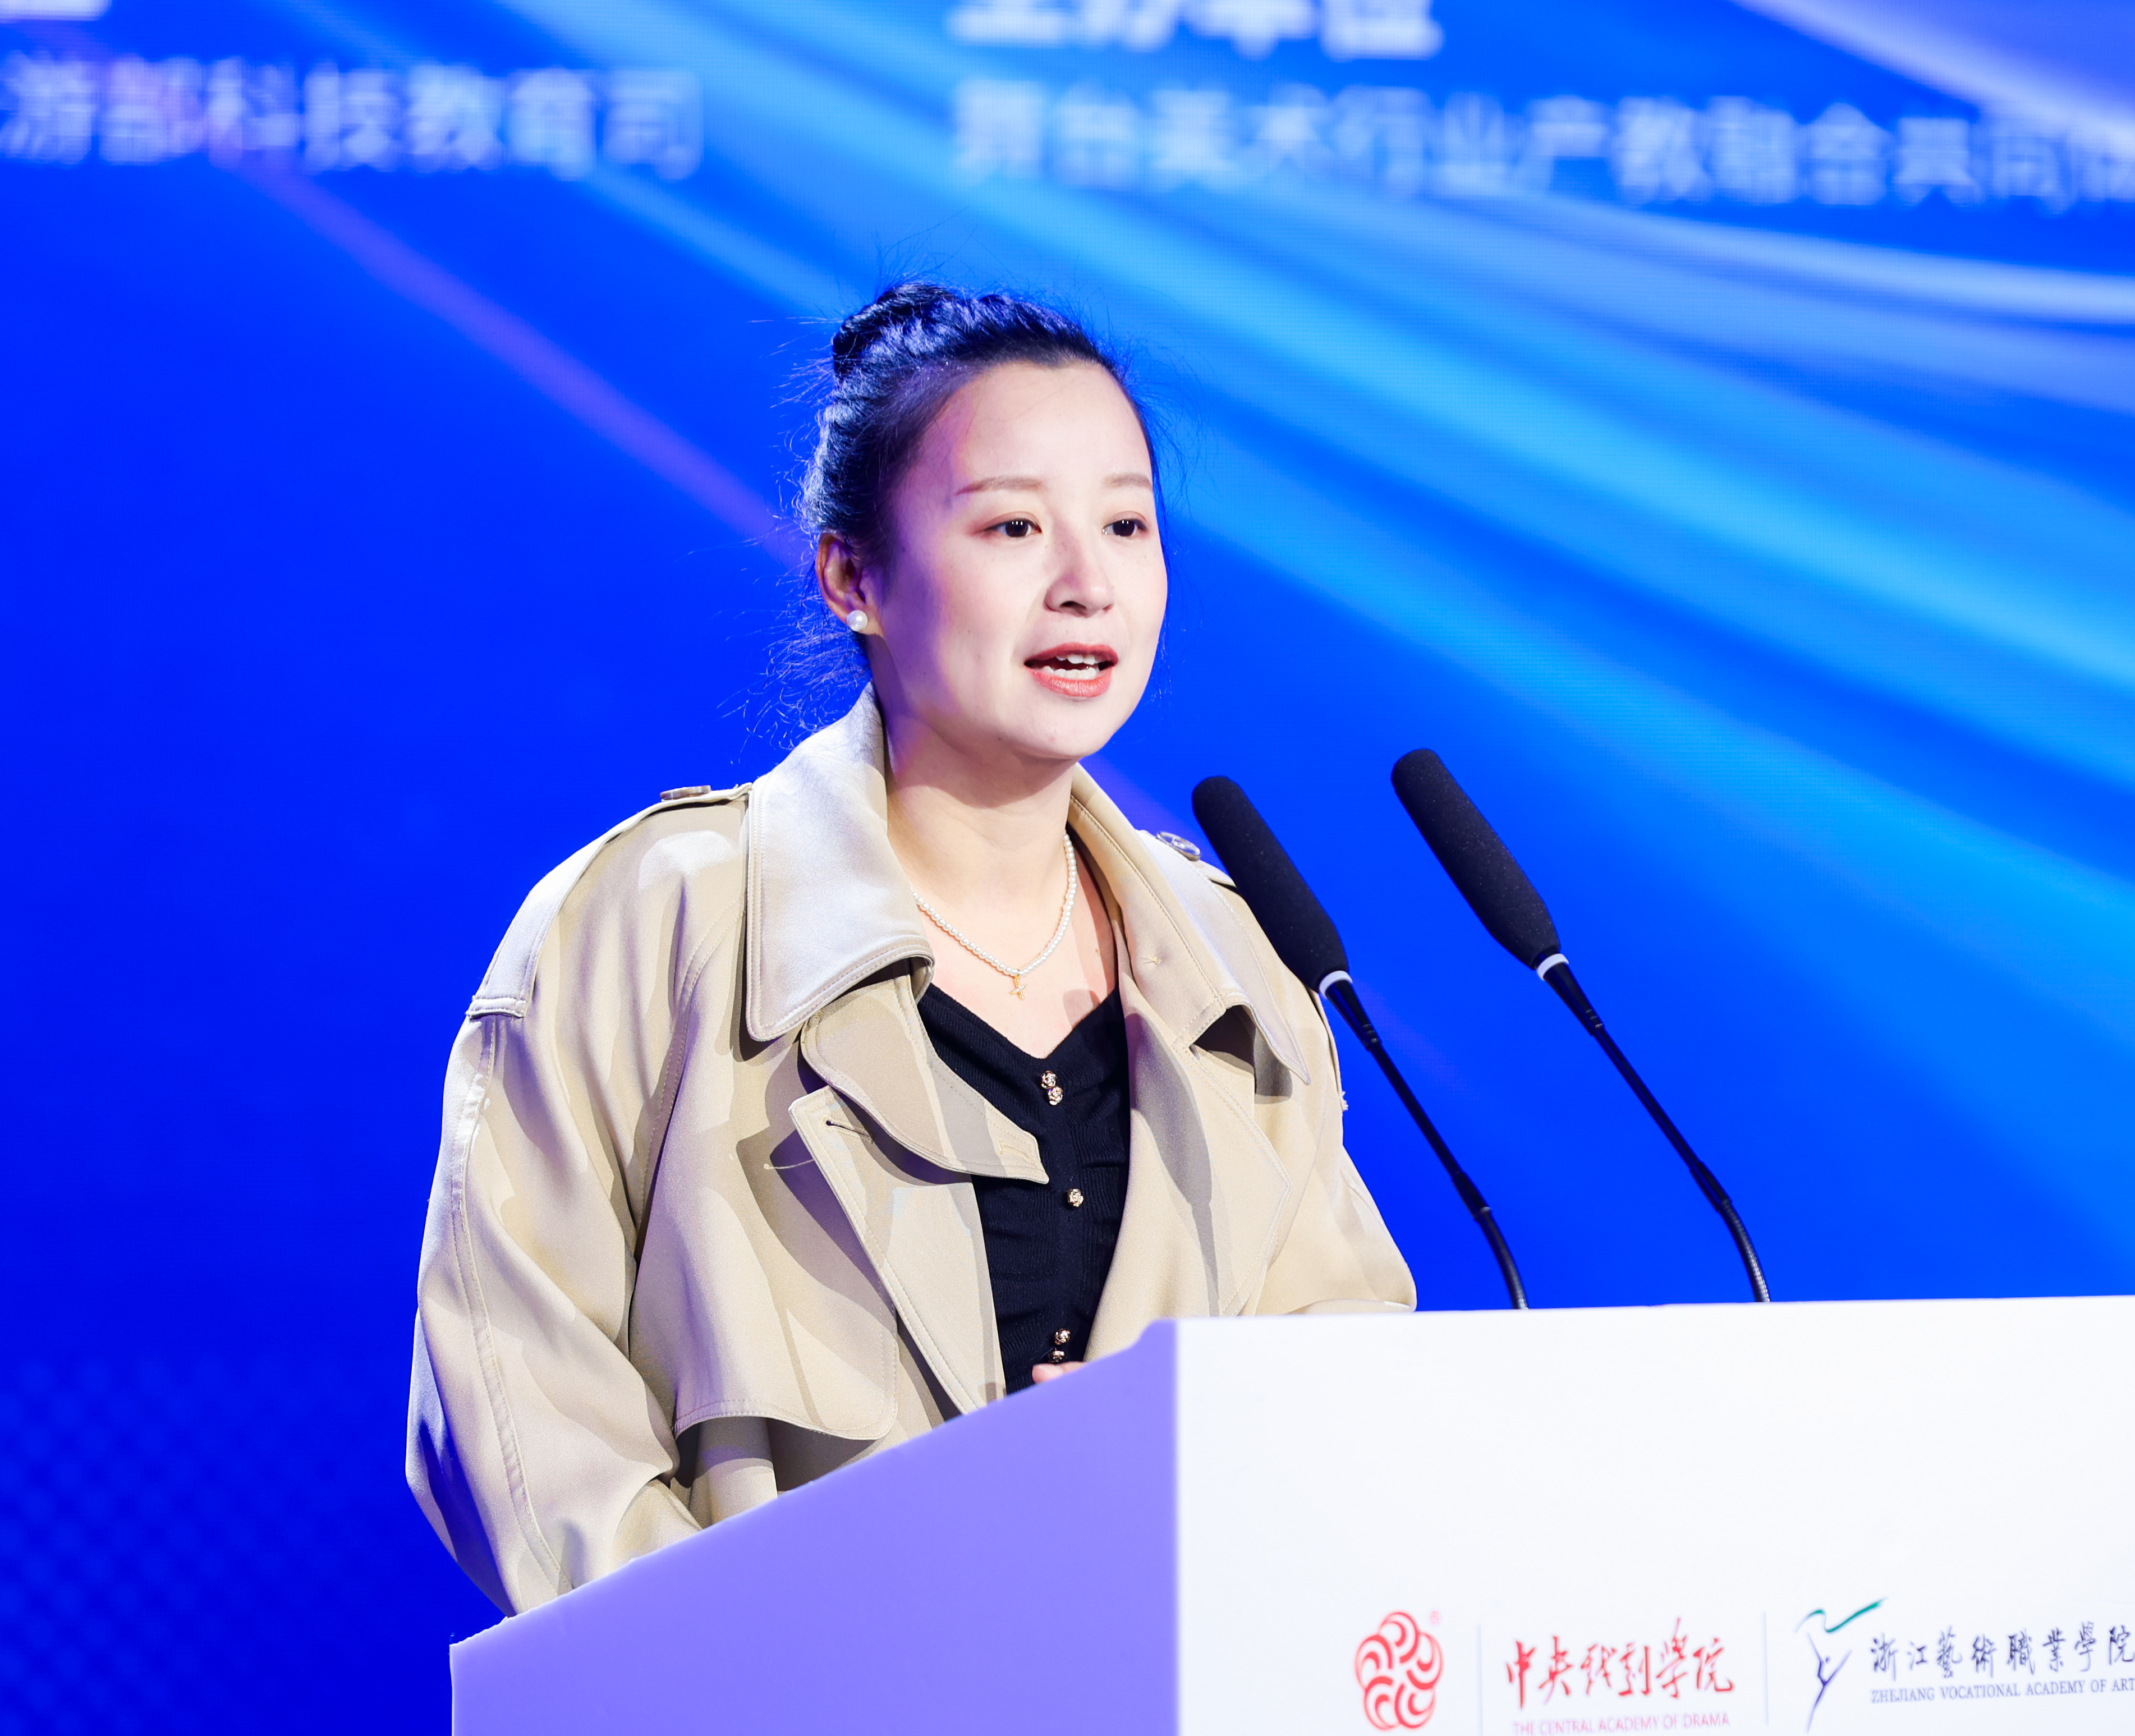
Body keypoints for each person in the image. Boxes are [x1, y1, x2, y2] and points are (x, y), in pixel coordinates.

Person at [406, 282, 1415, 1615]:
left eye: (1126, 524)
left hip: (1171, 1716)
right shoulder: (649, 927)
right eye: (1013, 527)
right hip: (780, 1725)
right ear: (854, 578)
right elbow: (525, 1429)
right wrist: (812, 1682)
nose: (1088, 583)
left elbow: (1342, 1385)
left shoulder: (1239, 963)